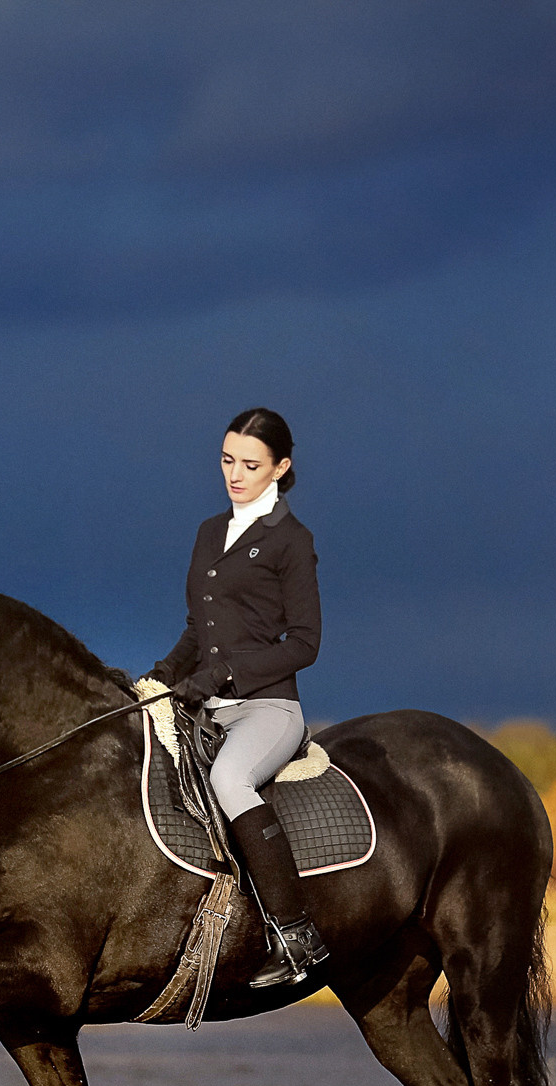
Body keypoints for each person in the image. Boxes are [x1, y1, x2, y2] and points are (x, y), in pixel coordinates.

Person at [145, 407, 328, 986]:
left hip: (268, 707)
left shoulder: (292, 542)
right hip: (205, 702)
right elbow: (199, 629)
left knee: (229, 781)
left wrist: (221, 677)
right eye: (227, 461)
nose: (235, 474)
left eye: (250, 464)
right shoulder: (207, 532)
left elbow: (304, 643)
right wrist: (162, 674)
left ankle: (297, 933)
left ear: (281, 467)